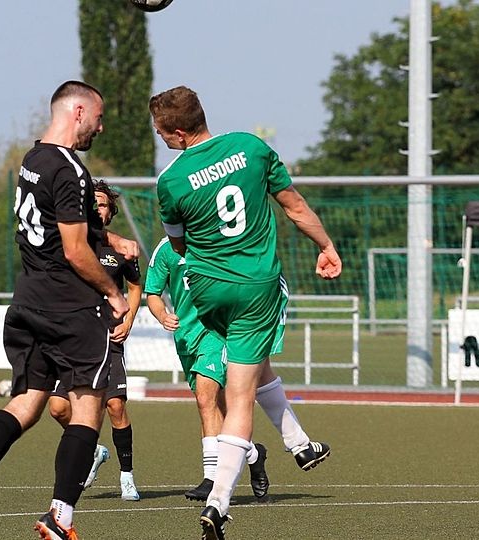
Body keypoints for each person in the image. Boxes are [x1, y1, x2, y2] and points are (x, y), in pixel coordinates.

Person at [0, 80, 138, 540]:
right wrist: (113, 292)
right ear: (77, 111)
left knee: (27, 403)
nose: (101, 126)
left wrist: (108, 238)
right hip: (70, 307)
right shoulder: (71, 169)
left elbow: (55, 226)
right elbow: (73, 249)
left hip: (28, 301)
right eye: (98, 117)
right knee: (88, 406)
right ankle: (60, 517)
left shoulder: (32, 160)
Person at [149, 85, 342, 539]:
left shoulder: (170, 182)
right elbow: (294, 206)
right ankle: (219, 502)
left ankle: (299, 444)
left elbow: (178, 246)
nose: (161, 139)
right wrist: (326, 246)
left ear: (178, 132)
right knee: (238, 397)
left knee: (252, 366)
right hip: (256, 288)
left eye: (160, 132)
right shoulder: (252, 148)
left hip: (208, 293)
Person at [144, 236, 271, 503]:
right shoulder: (166, 248)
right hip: (186, 337)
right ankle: (254, 455)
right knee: (220, 408)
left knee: (205, 397)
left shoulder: (217, 239)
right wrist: (163, 315)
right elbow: (153, 293)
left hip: (217, 332)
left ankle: (212, 478)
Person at [47, 180, 143, 501]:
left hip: (109, 337)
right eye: (94, 203)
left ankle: (126, 476)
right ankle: (94, 450)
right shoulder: (77, 242)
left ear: (111, 211)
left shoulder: (121, 249)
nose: (98, 208)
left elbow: (134, 286)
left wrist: (128, 319)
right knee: (58, 409)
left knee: (115, 405)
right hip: (75, 340)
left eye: (102, 204)